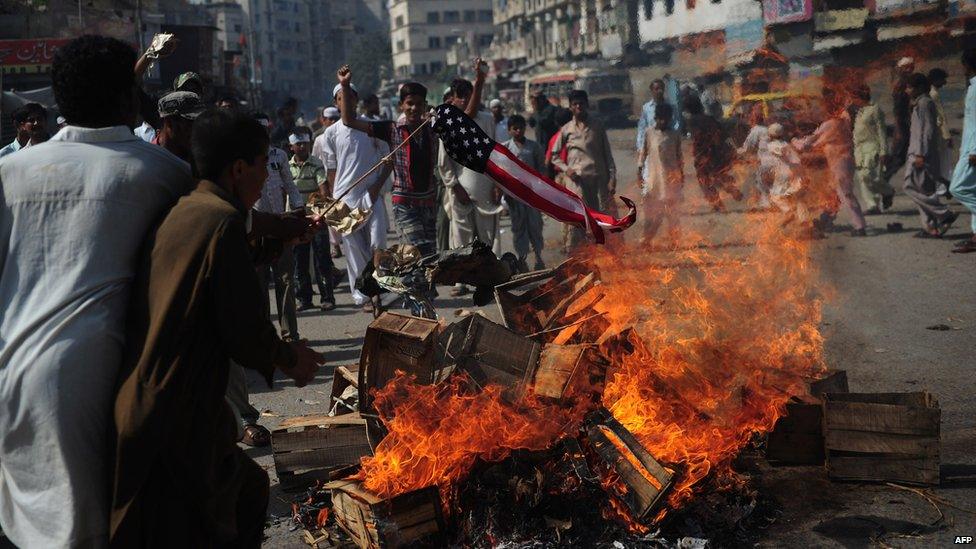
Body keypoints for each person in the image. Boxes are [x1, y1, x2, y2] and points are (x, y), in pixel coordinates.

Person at [0, 34, 193, 548]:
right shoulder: (163, 173)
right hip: (102, 381)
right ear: (128, 97)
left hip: (13, 375)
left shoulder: (9, 173)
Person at [111, 109, 323, 547]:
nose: (268, 178)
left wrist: (281, 240)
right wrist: (292, 359)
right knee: (223, 515)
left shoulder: (191, 208)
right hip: (179, 414)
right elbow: (245, 331)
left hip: (148, 406)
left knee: (243, 493)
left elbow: (217, 277)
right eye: (264, 165)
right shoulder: (221, 221)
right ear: (239, 168)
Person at [337, 66, 439, 258]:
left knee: (430, 256)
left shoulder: (432, 129)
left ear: (425, 105)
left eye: (418, 104)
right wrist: (345, 84)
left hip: (429, 202)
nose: (414, 108)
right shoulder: (391, 129)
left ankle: (426, 289)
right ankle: (419, 287)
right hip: (405, 204)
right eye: (409, 103)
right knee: (414, 255)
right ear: (401, 105)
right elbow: (349, 121)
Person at [327, 81, 393, 312]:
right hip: (345, 199)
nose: (346, 101)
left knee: (378, 244)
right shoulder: (331, 133)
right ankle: (364, 295)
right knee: (354, 250)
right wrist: (332, 201)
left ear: (356, 99)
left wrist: (376, 187)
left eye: (350, 96)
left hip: (372, 196)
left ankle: (381, 292)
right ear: (336, 103)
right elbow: (331, 168)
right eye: (341, 98)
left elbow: (389, 159)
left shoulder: (372, 127)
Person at [438, 63, 501, 295]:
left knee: (486, 236)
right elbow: (444, 162)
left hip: (485, 185)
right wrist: (454, 186)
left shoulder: (486, 119)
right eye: (459, 97)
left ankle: (486, 278)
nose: (463, 101)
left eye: (467, 96)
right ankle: (461, 281)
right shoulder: (447, 121)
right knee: (461, 237)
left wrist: (497, 184)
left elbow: (495, 153)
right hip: (460, 189)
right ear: (452, 99)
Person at [252, 111, 303, 338]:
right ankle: (264, 337)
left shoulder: (279, 156)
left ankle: (290, 334)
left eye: (264, 130)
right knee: (259, 287)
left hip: (280, 225)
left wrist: (299, 209)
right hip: (256, 229)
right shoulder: (245, 158)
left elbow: (290, 185)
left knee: (286, 283)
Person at [793, 88, 867, 236]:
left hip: (841, 164)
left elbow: (811, 142)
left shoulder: (832, 124)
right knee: (834, 194)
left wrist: (794, 142)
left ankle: (859, 226)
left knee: (845, 194)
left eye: (823, 107)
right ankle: (825, 219)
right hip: (841, 162)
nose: (821, 110)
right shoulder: (840, 121)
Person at [551, 89, 617, 250]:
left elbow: (607, 153)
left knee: (602, 217)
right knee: (578, 219)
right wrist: (567, 169)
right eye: (575, 104)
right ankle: (576, 255)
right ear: (570, 107)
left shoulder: (597, 125)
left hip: (598, 180)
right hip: (577, 182)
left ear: (586, 104)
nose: (578, 106)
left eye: (581, 103)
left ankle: (608, 254)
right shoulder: (566, 129)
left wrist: (612, 176)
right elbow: (554, 155)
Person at [903, 73, 957, 237]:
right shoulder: (920, 103)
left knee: (909, 187)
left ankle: (944, 213)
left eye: (909, 87)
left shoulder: (925, 103)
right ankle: (931, 228)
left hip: (920, 154)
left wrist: (920, 154)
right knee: (924, 190)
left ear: (919, 87)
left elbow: (928, 131)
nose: (907, 90)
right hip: (918, 153)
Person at [289, 132, 335, 310]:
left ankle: (327, 298)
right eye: (298, 143)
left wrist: (321, 211)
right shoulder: (287, 165)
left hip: (316, 218)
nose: (302, 146)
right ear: (291, 146)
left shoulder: (316, 163)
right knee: (299, 260)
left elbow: (323, 187)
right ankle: (304, 299)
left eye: (305, 143)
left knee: (322, 258)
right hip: (296, 218)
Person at [684, 95, 743, 212]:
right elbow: (723, 134)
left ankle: (717, 204)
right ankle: (730, 188)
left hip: (702, 155)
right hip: (716, 153)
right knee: (717, 175)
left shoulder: (692, 121)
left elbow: (695, 138)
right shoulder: (710, 119)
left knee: (704, 180)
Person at [502, 114, 546, 270]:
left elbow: (541, 170)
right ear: (509, 130)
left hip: (533, 195)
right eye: (515, 129)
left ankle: (539, 258)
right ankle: (522, 260)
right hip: (514, 196)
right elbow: (502, 173)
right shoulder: (505, 148)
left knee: (535, 226)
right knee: (518, 227)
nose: (519, 131)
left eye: (521, 128)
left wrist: (542, 191)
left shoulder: (534, 147)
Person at [637, 103, 683, 243]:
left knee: (671, 212)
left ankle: (673, 240)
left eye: (666, 119)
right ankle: (646, 239)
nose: (663, 122)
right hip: (654, 179)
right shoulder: (649, 133)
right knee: (651, 213)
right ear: (656, 118)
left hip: (671, 179)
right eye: (660, 118)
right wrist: (639, 171)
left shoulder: (674, 135)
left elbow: (679, 157)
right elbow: (643, 154)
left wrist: (681, 176)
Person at [950, 49, 976, 253]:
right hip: (968, 147)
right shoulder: (972, 87)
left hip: (973, 150)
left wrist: (974, 150)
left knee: (957, 188)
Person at [851, 85, 893, 214]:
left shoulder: (874, 109)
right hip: (859, 149)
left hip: (872, 147)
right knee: (862, 177)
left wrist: (884, 151)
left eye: (855, 98)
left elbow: (882, 132)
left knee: (869, 175)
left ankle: (888, 191)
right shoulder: (858, 112)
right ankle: (872, 205)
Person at [153, 90, 204, 161]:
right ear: (169, 123)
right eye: (190, 123)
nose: (197, 129)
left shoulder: (201, 157)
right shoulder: (150, 159)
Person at [737, 103, 772, 208]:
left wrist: (736, 152)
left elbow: (747, 147)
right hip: (775, 158)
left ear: (753, 120)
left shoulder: (756, 130)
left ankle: (767, 203)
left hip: (766, 159)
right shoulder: (767, 129)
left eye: (750, 117)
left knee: (760, 181)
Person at [888, 57, 915, 178]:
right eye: (907, 67)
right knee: (899, 156)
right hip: (904, 124)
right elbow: (898, 110)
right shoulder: (900, 84)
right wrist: (898, 129)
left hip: (908, 124)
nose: (910, 69)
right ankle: (885, 179)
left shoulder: (907, 83)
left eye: (911, 67)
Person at [636, 79, 676, 163]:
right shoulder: (646, 108)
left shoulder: (670, 106)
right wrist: (640, 148)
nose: (660, 91)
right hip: (652, 146)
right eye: (657, 89)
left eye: (661, 88)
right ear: (652, 91)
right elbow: (642, 129)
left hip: (667, 144)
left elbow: (675, 124)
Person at [928, 68, 954, 184]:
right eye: (943, 79)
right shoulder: (933, 94)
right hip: (939, 133)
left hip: (936, 132)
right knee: (944, 159)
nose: (944, 83)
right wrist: (947, 135)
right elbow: (940, 117)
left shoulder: (931, 92)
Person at [528, 91, 564, 157]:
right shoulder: (538, 111)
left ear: (541, 100)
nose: (533, 104)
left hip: (550, 143)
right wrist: (534, 111)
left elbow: (542, 121)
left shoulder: (550, 109)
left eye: (535, 101)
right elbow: (531, 123)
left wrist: (536, 112)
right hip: (540, 143)